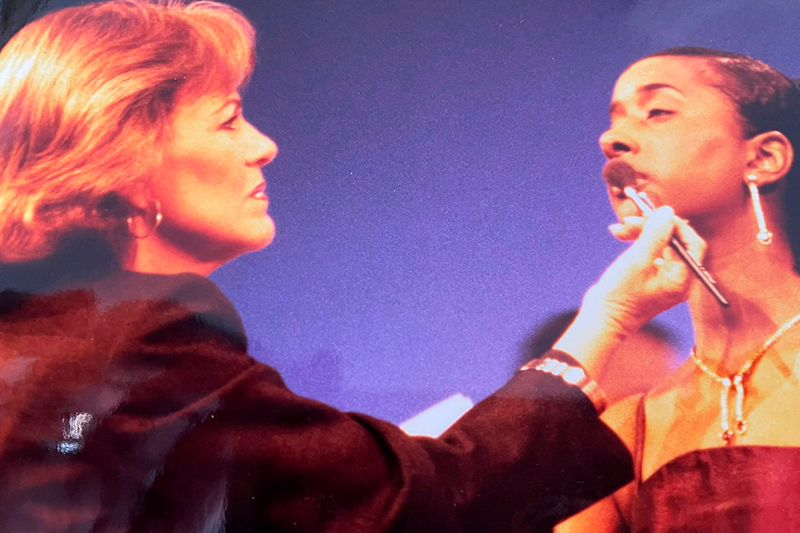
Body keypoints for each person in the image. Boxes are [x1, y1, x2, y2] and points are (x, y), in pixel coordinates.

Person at [0, 2, 705, 531]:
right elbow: (416, 504)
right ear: (125, 164)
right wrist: (607, 319)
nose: (265, 145)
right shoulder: (145, 343)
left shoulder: (45, 341)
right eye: (229, 119)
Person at [555, 48, 800, 533]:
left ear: (763, 157)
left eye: (658, 112)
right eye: (615, 119)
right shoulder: (623, 437)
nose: (610, 139)